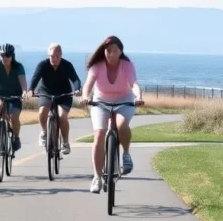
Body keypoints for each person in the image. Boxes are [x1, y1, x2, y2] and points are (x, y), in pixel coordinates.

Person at [80, 35, 145, 193]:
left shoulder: (127, 65)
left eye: (114, 51)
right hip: (101, 102)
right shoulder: (97, 66)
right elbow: (88, 85)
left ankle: (126, 155)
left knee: (122, 124)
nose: (110, 54)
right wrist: (85, 97)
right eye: (108, 51)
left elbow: (133, 83)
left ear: (120, 51)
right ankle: (97, 177)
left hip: (124, 101)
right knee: (99, 134)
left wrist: (139, 97)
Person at [27, 43, 82, 155]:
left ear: (61, 55)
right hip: (46, 92)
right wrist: (31, 89)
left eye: (57, 56)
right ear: (48, 55)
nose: (55, 59)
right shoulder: (43, 65)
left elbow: (75, 79)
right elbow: (35, 78)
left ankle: (65, 142)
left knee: (62, 116)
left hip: (64, 93)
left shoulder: (67, 65)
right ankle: (44, 131)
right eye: (52, 56)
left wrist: (77, 89)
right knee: (43, 110)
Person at [0, 43, 27, 154]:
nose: (4, 57)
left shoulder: (18, 67)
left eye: (7, 55)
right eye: (2, 55)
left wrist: (25, 91)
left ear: (12, 55)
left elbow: (23, 81)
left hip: (15, 96)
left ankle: (16, 137)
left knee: (13, 116)